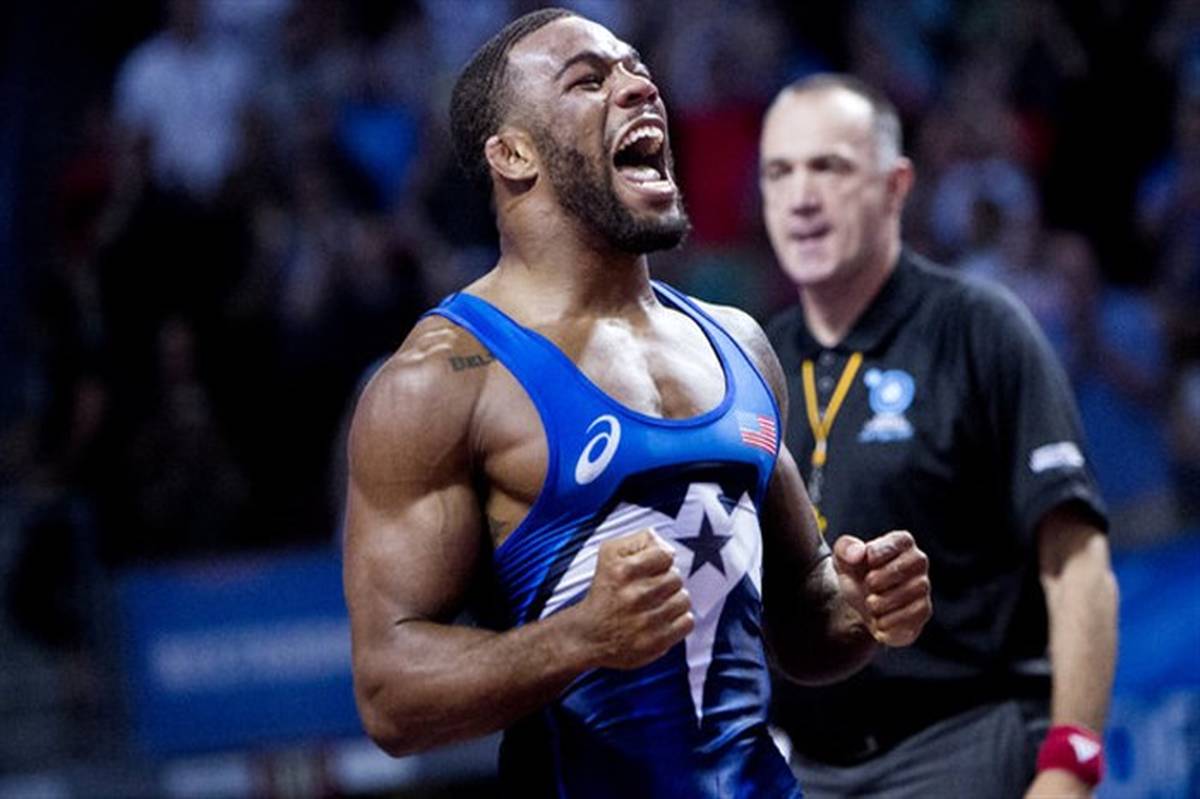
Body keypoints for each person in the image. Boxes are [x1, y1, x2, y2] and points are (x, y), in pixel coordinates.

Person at [342, 11, 933, 798]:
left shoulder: (739, 343)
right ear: (513, 155)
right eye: (590, 81)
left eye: (636, 70)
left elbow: (802, 615)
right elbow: (389, 694)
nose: (639, 87)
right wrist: (577, 637)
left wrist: (861, 607)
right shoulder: (444, 378)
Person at [758, 73, 1118, 798]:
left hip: (964, 743)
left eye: (829, 167)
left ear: (895, 187)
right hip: (805, 765)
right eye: (779, 172)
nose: (801, 197)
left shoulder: (980, 328)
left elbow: (1077, 562)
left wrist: (1070, 763)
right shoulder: (754, 360)